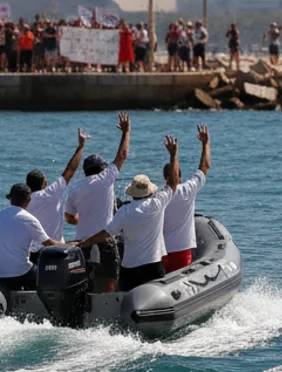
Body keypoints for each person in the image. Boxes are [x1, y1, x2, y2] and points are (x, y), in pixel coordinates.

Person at [76, 135, 181, 292]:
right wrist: (173, 155)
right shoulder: (157, 203)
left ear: (132, 194)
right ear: (149, 191)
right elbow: (173, 182)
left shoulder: (124, 212)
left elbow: (105, 233)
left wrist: (85, 243)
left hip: (129, 269)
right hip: (152, 267)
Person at [64, 113, 132, 292]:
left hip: (81, 241)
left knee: (84, 282)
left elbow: (69, 218)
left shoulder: (76, 188)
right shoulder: (105, 178)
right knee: (109, 280)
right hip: (104, 239)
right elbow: (122, 155)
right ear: (102, 168)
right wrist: (126, 132)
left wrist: (82, 219)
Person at [26, 128, 90, 250]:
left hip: (32, 252)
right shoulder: (51, 193)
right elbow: (70, 170)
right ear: (44, 183)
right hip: (53, 249)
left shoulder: (23, 202)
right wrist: (81, 146)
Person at [0, 183, 62, 291]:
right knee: (49, 277)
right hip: (19, 273)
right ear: (28, 200)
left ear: (10, 199)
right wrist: (71, 245)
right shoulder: (28, 219)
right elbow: (48, 243)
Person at [162, 125, 211, 273]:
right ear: (180, 175)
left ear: (165, 178)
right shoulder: (188, 190)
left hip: (162, 251)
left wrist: (173, 155)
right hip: (181, 251)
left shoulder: (158, 196)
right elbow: (205, 166)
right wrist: (205, 144)